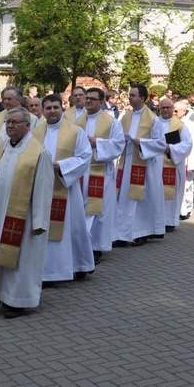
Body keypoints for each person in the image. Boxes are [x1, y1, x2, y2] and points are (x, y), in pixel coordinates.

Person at [0, 107, 54, 319]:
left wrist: (40, 220)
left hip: (26, 216)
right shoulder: (4, 147)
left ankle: (20, 300)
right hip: (3, 211)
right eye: (8, 122)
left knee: (23, 259)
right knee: (2, 253)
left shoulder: (39, 152)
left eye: (15, 122)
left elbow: (44, 187)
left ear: (27, 126)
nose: (10, 126)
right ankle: (2, 294)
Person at [33, 93, 93, 284]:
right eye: (48, 108)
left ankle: (78, 265)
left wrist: (62, 166)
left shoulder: (75, 132)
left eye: (56, 107)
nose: (52, 111)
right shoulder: (34, 133)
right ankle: (47, 270)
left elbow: (85, 157)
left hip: (66, 188)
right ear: (43, 110)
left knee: (73, 228)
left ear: (62, 108)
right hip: (42, 189)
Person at [114, 85, 167, 246]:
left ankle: (142, 232)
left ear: (142, 99)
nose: (129, 98)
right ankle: (122, 234)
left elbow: (160, 143)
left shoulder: (153, 119)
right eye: (129, 95)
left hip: (144, 165)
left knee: (141, 200)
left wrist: (142, 142)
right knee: (124, 200)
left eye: (133, 95)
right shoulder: (125, 117)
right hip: (126, 162)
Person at [78, 87, 124, 265]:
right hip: (80, 172)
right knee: (81, 210)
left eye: (91, 99)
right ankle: (81, 243)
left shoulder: (111, 122)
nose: (87, 101)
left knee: (98, 212)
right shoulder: (76, 120)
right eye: (86, 98)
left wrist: (98, 142)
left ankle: (97, 246)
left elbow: (118, 144)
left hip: (100, 172)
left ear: (100, 101)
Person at [156, 98, 193, 232]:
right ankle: (156, 220)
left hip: (172, 163)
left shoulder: (180, 125)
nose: (165, 110)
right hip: (155, 164)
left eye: (168, 108)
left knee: (172, 193)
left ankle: (170, 220)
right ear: (159, 109)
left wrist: (170, 148)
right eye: (163, 108)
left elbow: (188, 144)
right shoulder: (153, 123)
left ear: (173, 109)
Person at [0, 86, 41, 153]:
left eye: (10, 99)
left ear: (19, 100)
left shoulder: (31, 119)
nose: (6, 101)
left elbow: (36, 141)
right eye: (5, 99)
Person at [174, 99, 194, 220]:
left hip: (186, 160)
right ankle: (177, 210)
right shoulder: (170, 123)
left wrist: (192, 163)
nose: (174, 113)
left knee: (186, 185)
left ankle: (186, 209)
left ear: (184, 111)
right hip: (172, 160)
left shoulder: (190, 125)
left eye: (176, 111)